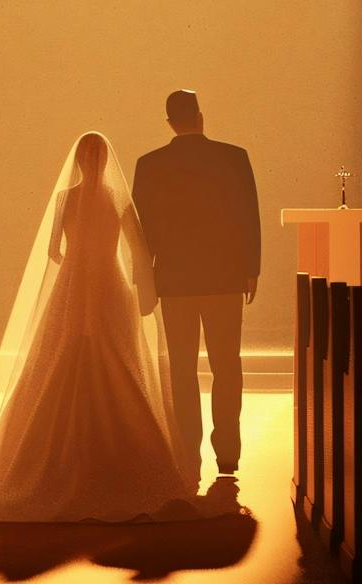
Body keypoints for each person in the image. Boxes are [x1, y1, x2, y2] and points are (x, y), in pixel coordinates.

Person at [0, 132, 198, 522]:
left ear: (77, 161)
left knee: (56, 360)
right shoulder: (118, 197)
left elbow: (52, 252)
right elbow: (137, 247)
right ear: (105, 160)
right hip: (108, 282)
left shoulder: (66, 197)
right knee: (119, 361)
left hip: (73, 284)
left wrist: (78, 262)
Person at [132, 90, 261, 480]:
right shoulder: (234, 157)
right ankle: (228, 454)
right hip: (224, 279)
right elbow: (248, 217)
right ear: (201, 117)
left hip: (175, 281)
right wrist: (250, 269)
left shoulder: (149, 164)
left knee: (182, 370)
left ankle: (188, 449)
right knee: (227, 366)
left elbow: (143, 232)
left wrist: (146, 281)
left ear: (169, 121)